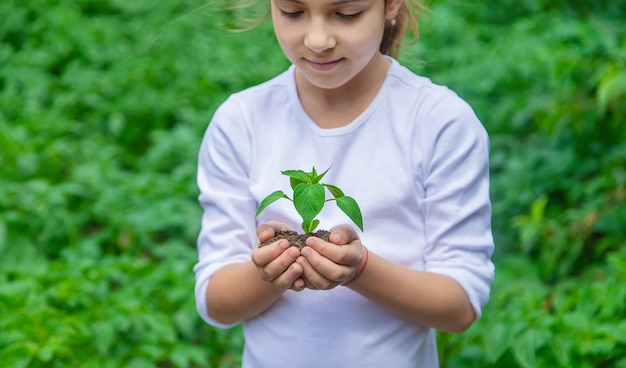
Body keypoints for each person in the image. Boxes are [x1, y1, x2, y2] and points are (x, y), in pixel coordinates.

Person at [193, 0, 495, 366]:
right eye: (292, 12)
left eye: (347, 14)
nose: (318, 40)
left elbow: (460, 306)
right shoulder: (241, 122)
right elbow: (216, 302)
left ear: (390, 5)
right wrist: (270, 273)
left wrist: (361, 269)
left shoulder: (440, 123)